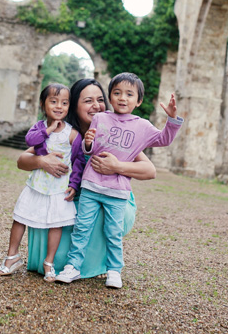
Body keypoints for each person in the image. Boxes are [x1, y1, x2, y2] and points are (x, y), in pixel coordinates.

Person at [17, 78, 156, 279]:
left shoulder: (115, 131)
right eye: (88, 100)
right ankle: (66, 263)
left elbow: (150, 170)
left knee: (96, 213)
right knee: (54, 215)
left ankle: (100, 265)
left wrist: (117, 166)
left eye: (100, 99)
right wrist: (42, 161)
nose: (96, 106)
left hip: (111, 198)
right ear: (74, 105)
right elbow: (22, 160)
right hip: (74, 199)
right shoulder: (63, 131)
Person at [56, 72, 182, 289]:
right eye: (117, 93)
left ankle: (114, 271)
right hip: (91, 187)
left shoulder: (142, 126)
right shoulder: (101, 118)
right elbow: (92, 150)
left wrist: (171, 120)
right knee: (82, 228)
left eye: (129, 94)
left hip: (117, 192)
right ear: (111, 97)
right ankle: (73, 266)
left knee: (113, 233)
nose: (123, 98)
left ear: (139, 101)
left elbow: (164, 139)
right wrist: (87, 144)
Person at [0, 83, 84, 282]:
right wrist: (49, 130)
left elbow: (78, 161)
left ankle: (49, 262)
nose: (59, 106)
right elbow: (30, 140)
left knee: (56, 224)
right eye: (53, 102)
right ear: (43, 105)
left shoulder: (72, 134)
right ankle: (12, 256)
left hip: (59, 188)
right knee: (20, 217)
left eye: (64, 103)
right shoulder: (40, 127)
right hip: (37, 185)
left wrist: (74, 184)